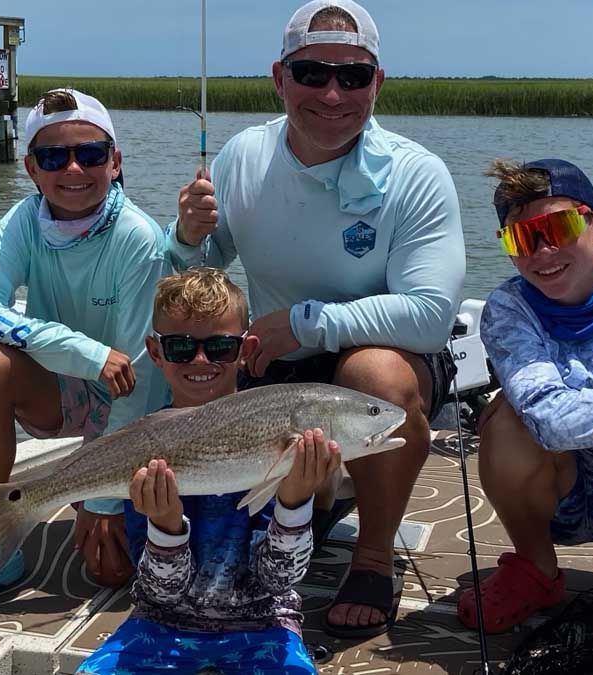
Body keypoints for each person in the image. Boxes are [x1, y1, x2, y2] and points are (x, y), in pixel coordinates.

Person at [169, 0, 465, 637]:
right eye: (312, 73)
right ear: (280, 78)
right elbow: (203, 270)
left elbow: (432, 316)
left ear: (377, 84)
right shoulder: (242, 156)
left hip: (384, 362)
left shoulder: (417, 174)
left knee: (375, 374)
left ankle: (374, 556)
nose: (333, 93)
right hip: (274, 365)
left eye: (353, 77)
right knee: (196, 342)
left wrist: (305, 325)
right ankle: (307, 499)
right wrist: (186, 235)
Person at [0, 88, 170, 615]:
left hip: (137, 407)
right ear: (31, 167)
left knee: (109, 571)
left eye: (91, 154)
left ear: (115, 161)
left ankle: (88, 496)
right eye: (54, 157)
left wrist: (101, 500)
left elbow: (139, 379)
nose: (73, 169)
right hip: (69, 384)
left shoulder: (138, 237)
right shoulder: (22, 221)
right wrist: (75, 349)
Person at [76, 267, 341, 674]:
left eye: (219, 347)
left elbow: (277, 581)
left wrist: (294, 502)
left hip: (265, 624)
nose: (201, 360)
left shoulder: (284, 441)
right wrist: (165, 527)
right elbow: (160, 594)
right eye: (181, 347)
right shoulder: (148, 448)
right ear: (156, 351)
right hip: (160, 624)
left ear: (245, 349)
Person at [457, 158, 593, 633]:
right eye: (521, 239)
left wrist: (571, 418)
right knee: (506, 418)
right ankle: (538, 569)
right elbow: (547, 422)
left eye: (556, 227)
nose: (543, 251)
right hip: (556, 498)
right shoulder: (507, 310)